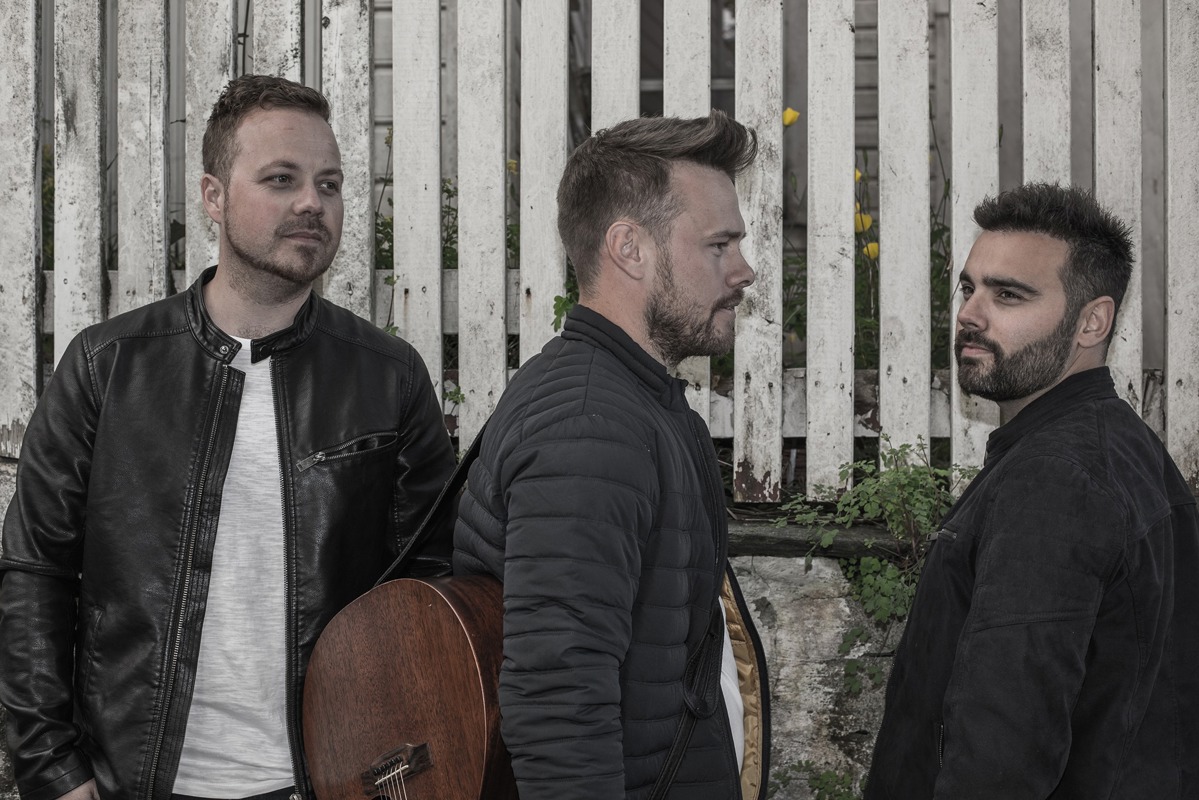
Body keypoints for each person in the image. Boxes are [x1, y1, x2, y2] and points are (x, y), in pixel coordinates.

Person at [0, 75, 456, 800]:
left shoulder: (388, 377)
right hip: (134, 782)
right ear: (213, 196)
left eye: (329, 184)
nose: (312, 203)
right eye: (281, 179)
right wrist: (53, 770)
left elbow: (432, 589)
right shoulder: (106, 367)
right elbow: (35, 574)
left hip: (329, 781)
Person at [453, 110, 770, 800]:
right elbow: (558, 703)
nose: (744, 270)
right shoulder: (590, 427)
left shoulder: (634, 400)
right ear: (629, 248)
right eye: (720, 245)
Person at [865, 183, 1199, 798]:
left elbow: (1001, 752)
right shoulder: (1119, 448)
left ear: (1092, 322)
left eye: (1008, 295)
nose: (970, 313)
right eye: (969, 287)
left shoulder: (1057, 477)